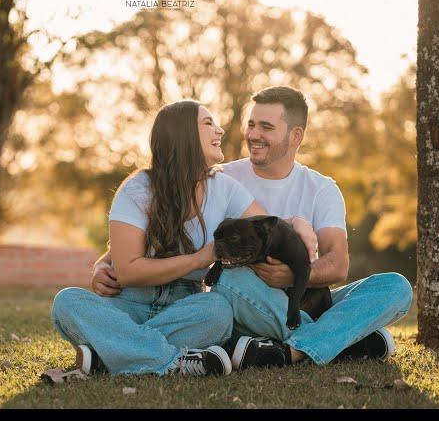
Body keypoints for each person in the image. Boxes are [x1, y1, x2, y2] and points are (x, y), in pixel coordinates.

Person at [92, 86, 414, 370]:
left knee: (395, 287)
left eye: (266, 127)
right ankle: (342, 338)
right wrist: (104, 263)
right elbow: (161, 221)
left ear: (296, 136)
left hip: (299, 300)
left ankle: (292, 351)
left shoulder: (320, 188)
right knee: (230, 277)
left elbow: (338, 265)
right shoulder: (221, 177)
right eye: (251, 124)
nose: (253, 134)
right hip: (244, 301)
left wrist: (292, 276)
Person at [51, 100, 318, 377]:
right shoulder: (138, 189)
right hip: (130, 303)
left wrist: (297, 221)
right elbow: (129, 271)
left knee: (218, 310)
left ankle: (110, 354)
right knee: (67, 302)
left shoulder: (225, 188)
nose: (221, 130)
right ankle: (171, 362)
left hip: (187, 308)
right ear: (183, 135)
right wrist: (199, 258)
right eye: (208, 123)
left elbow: (265, 228)